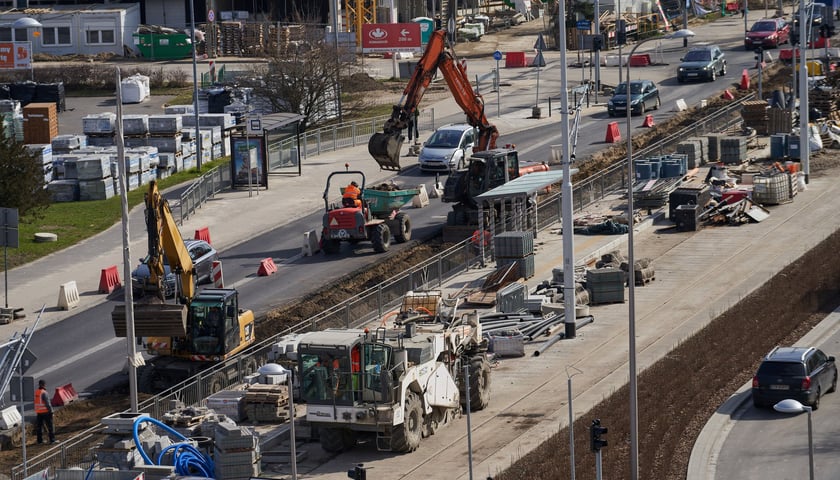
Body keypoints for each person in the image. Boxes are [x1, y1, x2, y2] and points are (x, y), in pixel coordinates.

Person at [34, 380, 55, 445]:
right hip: (46, 412)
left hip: (39, 412)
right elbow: (48, 403)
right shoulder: (44, 393)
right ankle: (52, 440)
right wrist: (51, 411)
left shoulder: (36, 392)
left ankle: (39, 441)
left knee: (39, 427)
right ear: (44, 384)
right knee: (50, 426)